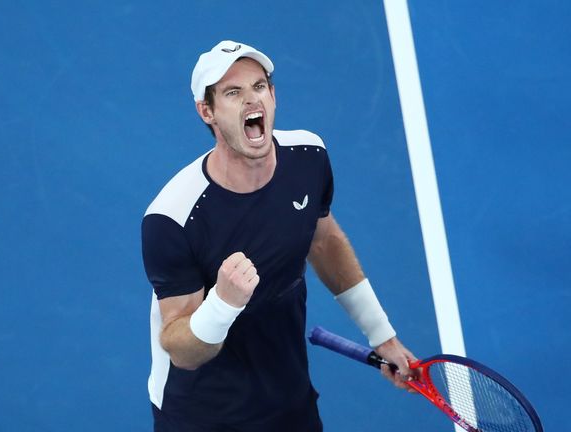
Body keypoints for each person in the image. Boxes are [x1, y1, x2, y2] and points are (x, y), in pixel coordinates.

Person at [142, 40, 416, 432]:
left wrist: (382, 334)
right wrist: (222, 304)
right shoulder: (173, 217)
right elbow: (182, 350)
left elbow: (323, 241)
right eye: (232, 93)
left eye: (259, 86)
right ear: (208, 112)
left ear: (273, 95)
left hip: (288, 397)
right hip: (203, 415)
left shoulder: (308, 156)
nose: (251, 100)